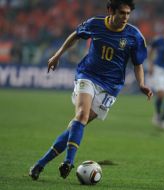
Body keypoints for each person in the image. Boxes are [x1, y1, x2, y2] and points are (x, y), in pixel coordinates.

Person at [29, 0, 153, 180]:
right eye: (122, 13)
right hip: (88, 75)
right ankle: (69, 162)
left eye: (128, 13)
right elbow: (75, 35)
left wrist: (141, 83)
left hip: (110, 87)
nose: (125, 17)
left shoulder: (135, 36)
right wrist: (57, 55)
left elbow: (138, 64)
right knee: (81, 115)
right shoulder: (95, 23)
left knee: (76, 125)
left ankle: (40, 164)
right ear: (110, 10)